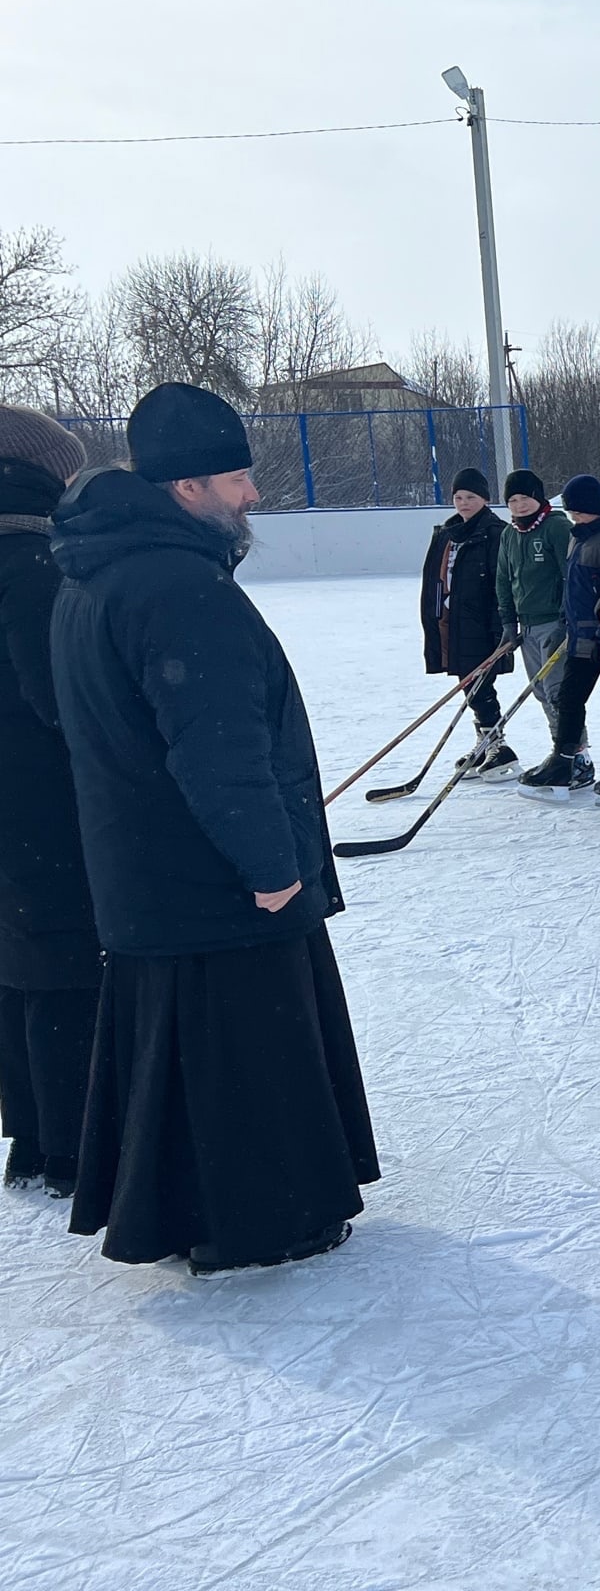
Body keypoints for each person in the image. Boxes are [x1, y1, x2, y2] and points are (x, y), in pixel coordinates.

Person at [52, 383, 377, 1272]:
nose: (254, 496)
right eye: (238, 477)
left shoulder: (99, 574)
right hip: (211, 882)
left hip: (148, 876)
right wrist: (273, 866)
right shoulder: (176, 588)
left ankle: (191, 1211)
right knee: (245, 1051)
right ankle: (265, 1220)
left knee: (195, 1050)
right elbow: (218, 747)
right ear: (187, 487)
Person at [0, 407, 100, 1199]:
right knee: (63, 967)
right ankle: (69, 1145)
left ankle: (31, 1136)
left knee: (16, 969)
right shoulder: (30, 560)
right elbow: (53, 697)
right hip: (34, 800)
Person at [521, 474, 600, 796]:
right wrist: (568, 621)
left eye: (579, 510)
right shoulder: (578, 535)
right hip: (577, 633)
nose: (574, 516)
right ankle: (564, 760)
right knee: (568, 697)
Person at [418, 467, 517, 776]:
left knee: (479, 682)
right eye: (458, 497)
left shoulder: (494, 532)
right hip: (451, 619)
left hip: (480, 621)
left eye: (470, 497)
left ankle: (498, 745)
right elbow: (434, 579)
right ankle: (487, 739)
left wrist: (501, 625)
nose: (463, 503)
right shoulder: (447, 533)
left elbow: (501, 583)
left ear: (484, 499)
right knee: (467, 680)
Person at [495, 468, 571, 753]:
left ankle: (574, 754)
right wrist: (508, 622)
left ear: (538, 497)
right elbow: (503, 578)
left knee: (557, 693)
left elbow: (569, 575)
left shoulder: (555, 527)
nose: (519, 505)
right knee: (541, 692)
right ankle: (560, 748)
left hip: (554, 621)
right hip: (527, 626)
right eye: (512, 500)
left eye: (525, 498)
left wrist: (566, 620)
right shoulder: (509, 534)